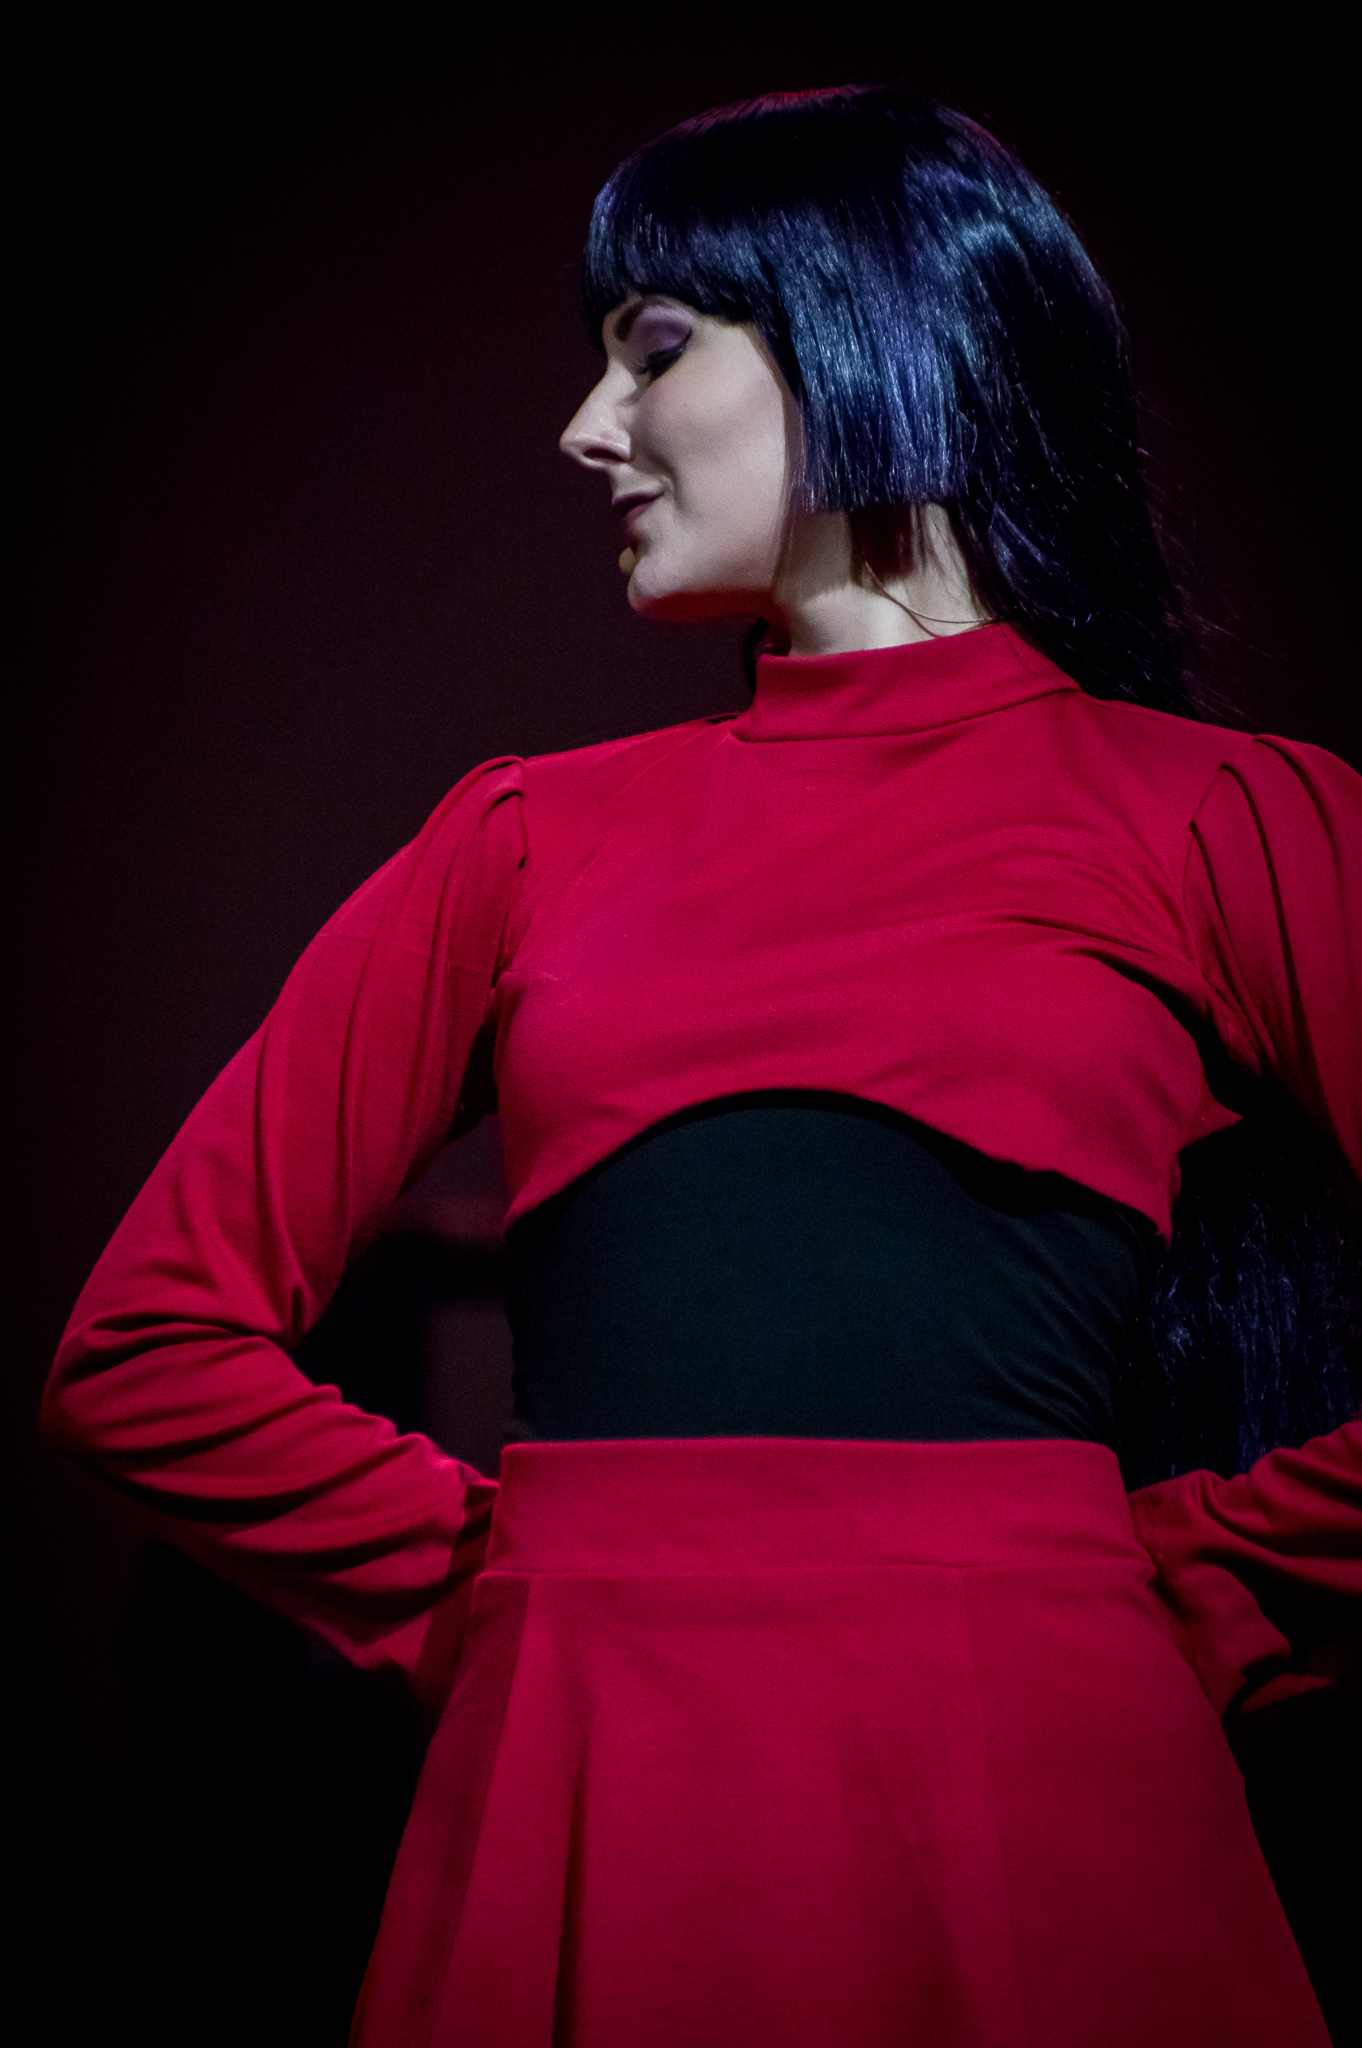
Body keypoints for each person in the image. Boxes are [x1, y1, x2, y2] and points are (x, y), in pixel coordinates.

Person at [43, 87, 1359, 2047]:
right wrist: (522, 1584)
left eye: (652, 348)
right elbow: (147, 1349)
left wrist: (1193, 1577)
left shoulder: (1230, 820)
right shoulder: (519, 841)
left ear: (872, 326)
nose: (590, 427)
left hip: (1050, 1795)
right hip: (592, 1777)